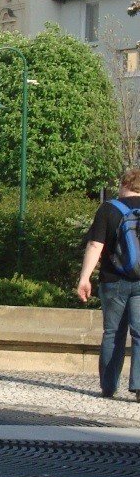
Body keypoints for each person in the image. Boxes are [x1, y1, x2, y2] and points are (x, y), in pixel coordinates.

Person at [77, 169, 140, 399]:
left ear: (124, 184)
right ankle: (139, 385)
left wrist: (85, 278)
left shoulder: (109, 209)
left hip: (113, 281)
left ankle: (109, 386)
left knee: (113, 332)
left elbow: (95, 245)